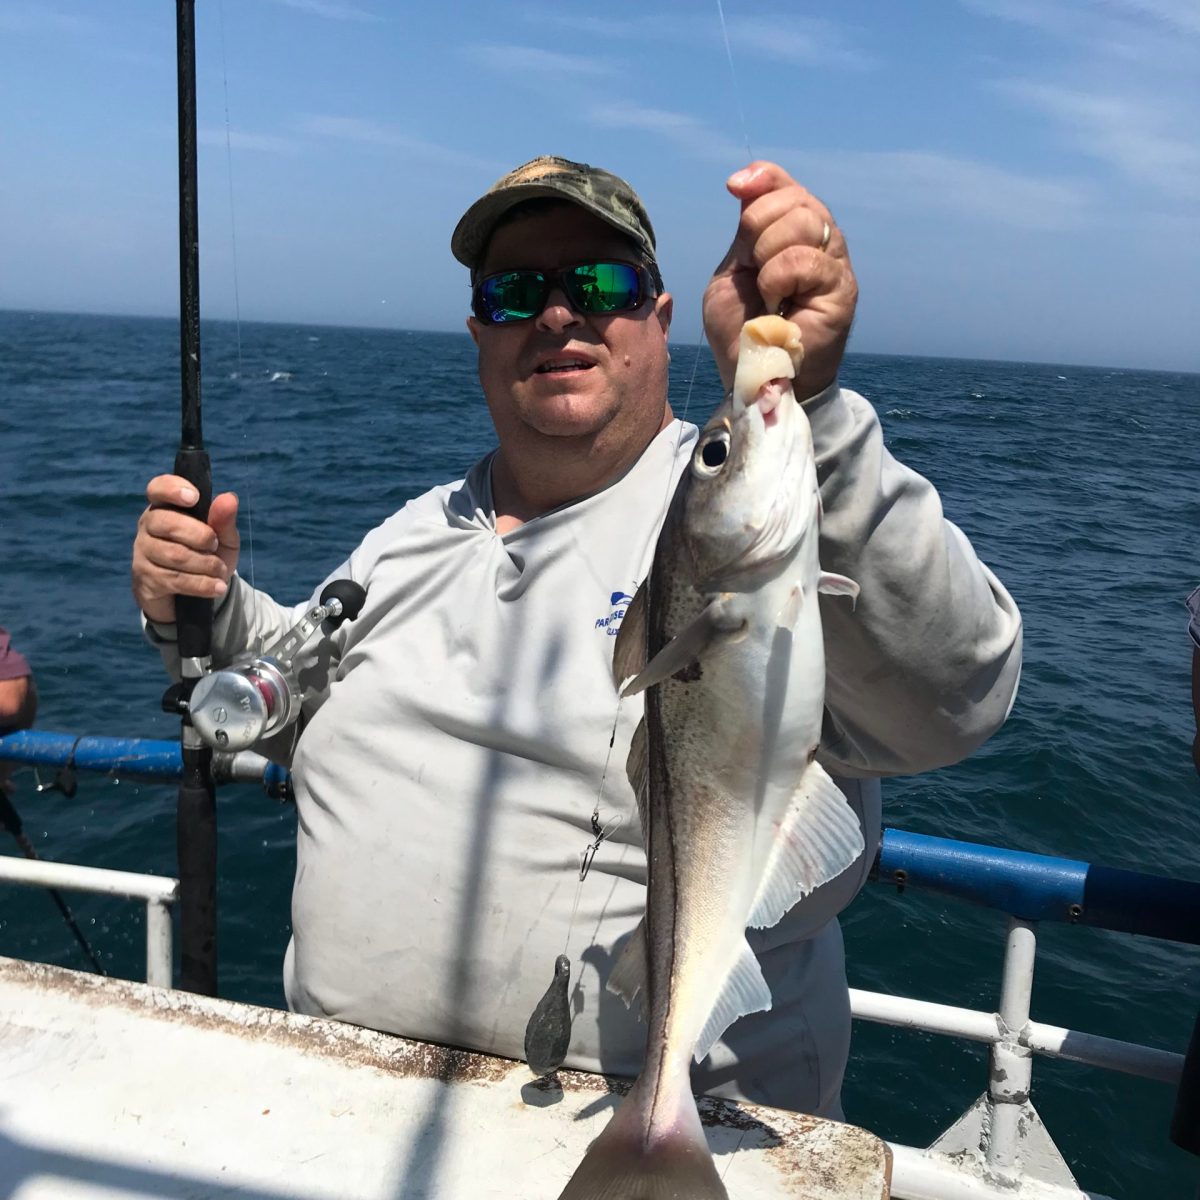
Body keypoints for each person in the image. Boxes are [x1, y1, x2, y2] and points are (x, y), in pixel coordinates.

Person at [131, 156, 1023, 1118]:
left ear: (662, 317)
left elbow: (953, 696)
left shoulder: (743, 514)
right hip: (340, 1108)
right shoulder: (412, 532)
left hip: (663, 1117)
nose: (557, 314)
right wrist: (210, 605)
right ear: (479, 333)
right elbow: (304, 696)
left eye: (599, 283)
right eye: (515, 292)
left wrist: (809, 412)